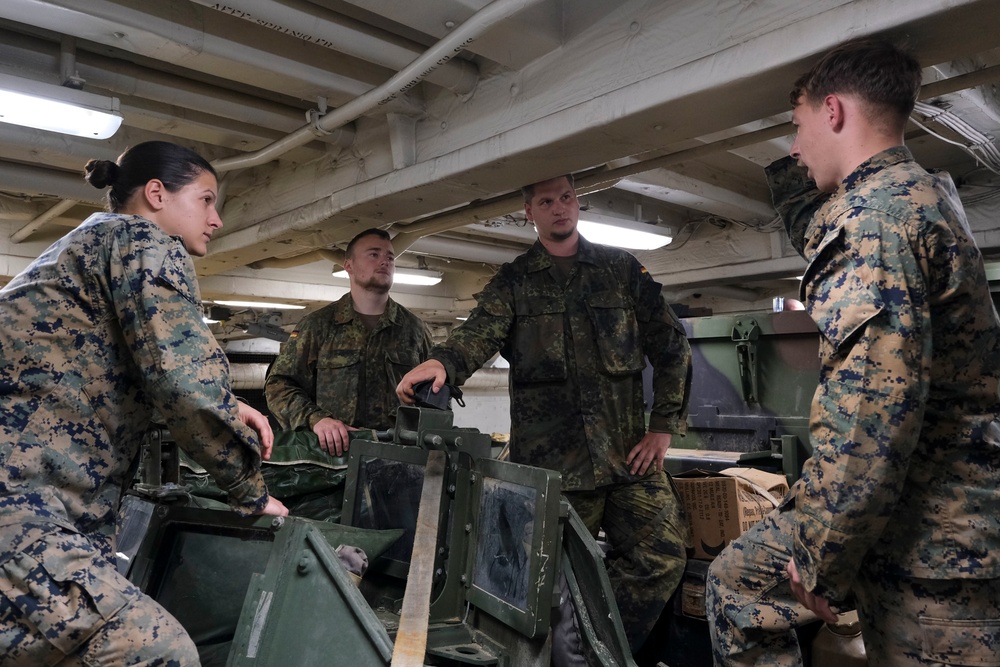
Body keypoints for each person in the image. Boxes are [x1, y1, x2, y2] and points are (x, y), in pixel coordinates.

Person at [706, 38, 1000, 666]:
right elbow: (816, 224)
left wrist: (820, 560)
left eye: (798, 124)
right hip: (953, 525)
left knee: (734, 585)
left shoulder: (873, 222)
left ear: (833, 111)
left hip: (932, 548)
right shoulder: (923, 196)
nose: (793, 145)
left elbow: (871, 420)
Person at [0, 140, 288, 667]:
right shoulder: (141, 239)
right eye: (205, 200)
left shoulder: (80, 248)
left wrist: (226, 403)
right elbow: (180, 379)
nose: (217, 219)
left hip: (29, 500)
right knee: (158, 650)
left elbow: (95, 378)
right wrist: (249, 490)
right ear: (156, 194)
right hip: (18, 507)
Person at [396, 174, 692, 652]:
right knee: (538, 587)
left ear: (579, 204)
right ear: (529, 212)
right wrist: (442, 363)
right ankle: (564, 652)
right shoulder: (514, 282)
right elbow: (477, 336)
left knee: (663, 558)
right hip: (554, 470)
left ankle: (601, 653)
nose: (561, 208)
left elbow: (672, 345)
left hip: (626, 461)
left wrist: (662, 427)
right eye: (547, 201)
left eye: (568, 198)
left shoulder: (620, 270)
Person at [265, 228, 432, 455]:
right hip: (333, 461)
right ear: (349, 266)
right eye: (374, 254)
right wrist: (316, 419)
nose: (385, 261)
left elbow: (435, 398)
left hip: (399, 458)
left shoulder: (415, 330)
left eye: (390, 257)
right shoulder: (318, 325)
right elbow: (278, 386)